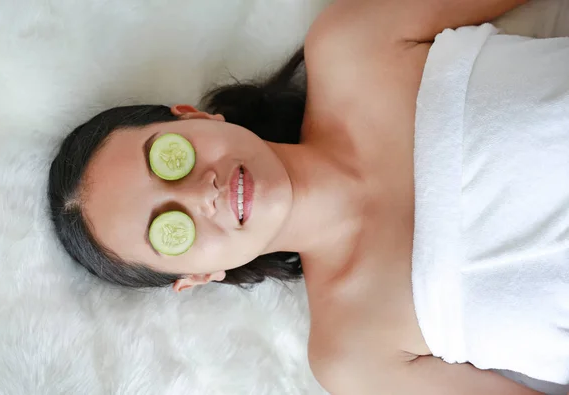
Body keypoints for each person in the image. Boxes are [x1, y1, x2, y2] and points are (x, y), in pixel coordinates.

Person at [47, 0, 569, 393]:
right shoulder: (352, 355)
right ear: (198, 278)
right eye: (171, 229)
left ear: (193, 116)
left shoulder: (352, 45)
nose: (198, 193)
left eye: (169, 158)